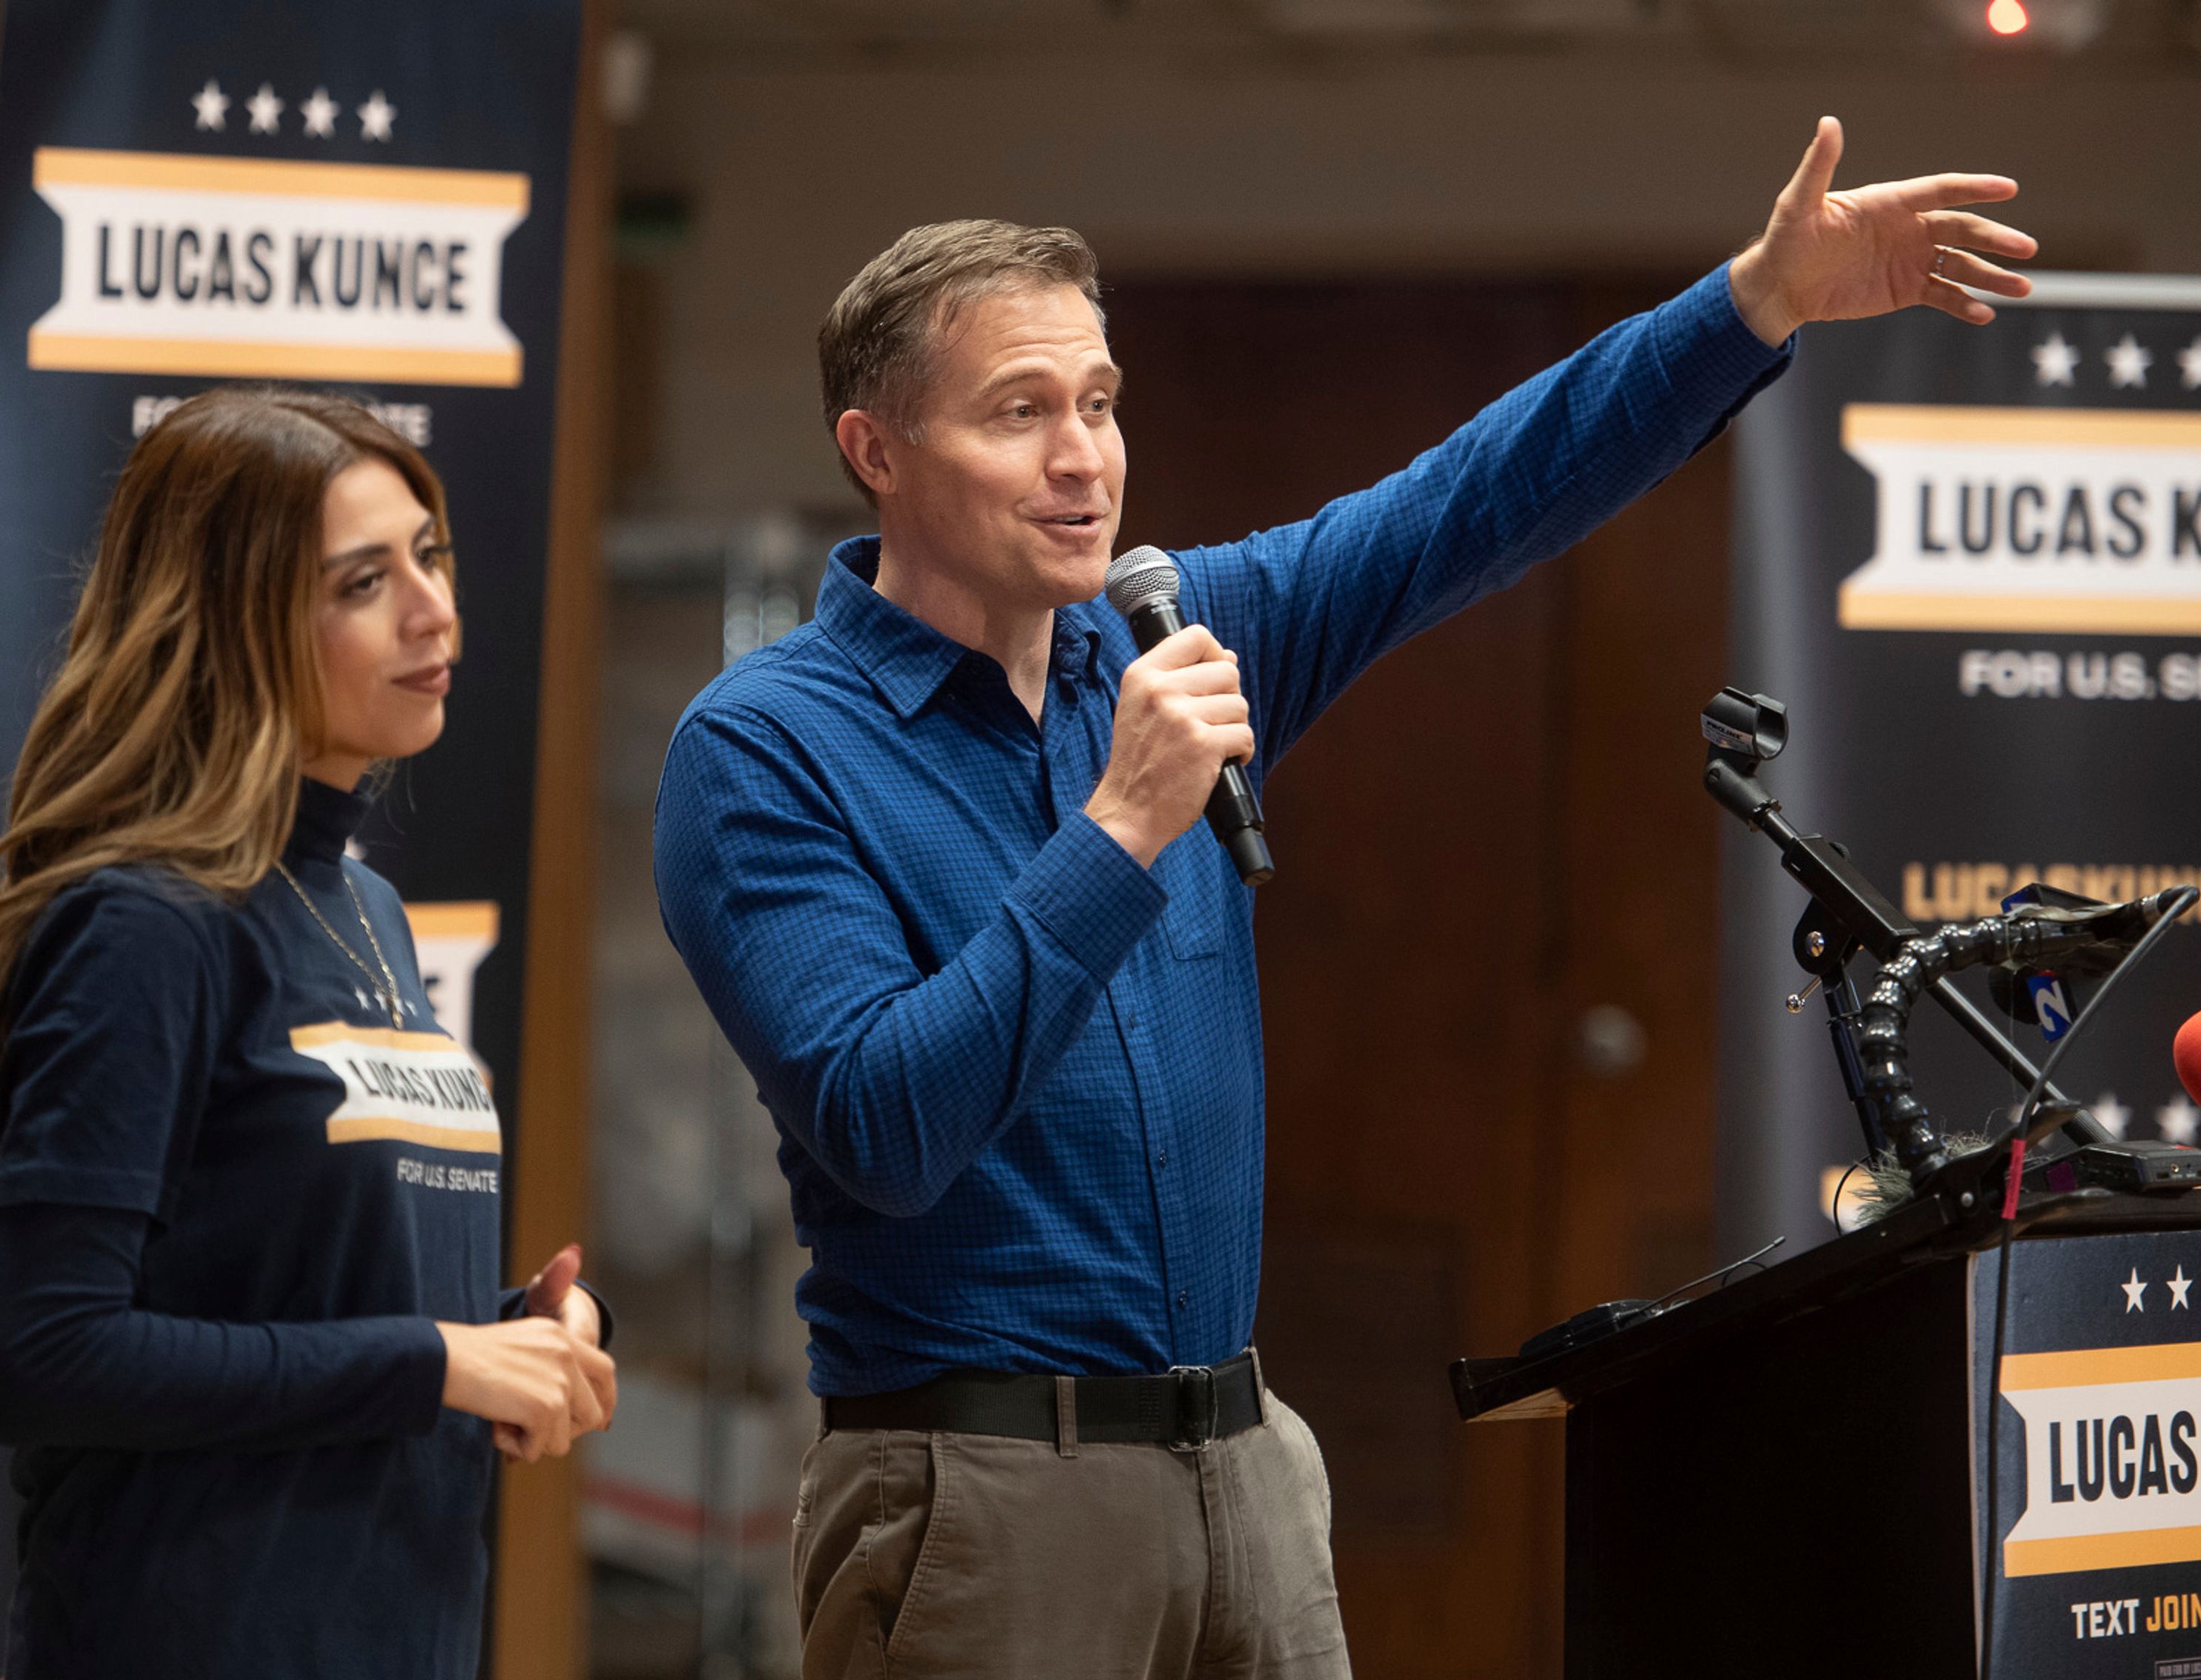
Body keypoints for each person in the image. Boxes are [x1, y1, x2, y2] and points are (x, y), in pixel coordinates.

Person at [653, 118, 2034, 1676]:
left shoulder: (1172, 638)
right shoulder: (770, 747)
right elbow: (889, 1130)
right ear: (876, 452)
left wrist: (1750, 305)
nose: (1083, 459)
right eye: (1019, 411)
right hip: (980, 1492)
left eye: (1100, 403)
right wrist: (1118, 832)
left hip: (1244, 1466)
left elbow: (1472, 498)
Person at [0, 386, 619, 1679]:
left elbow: (295, 1293)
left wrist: (511, 1338)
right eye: (359, 582)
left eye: (429, 555)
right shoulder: (148, 926)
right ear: (233, 620)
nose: (432, 608)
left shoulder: (372, 911)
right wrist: (433, 1360)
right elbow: (49, 1357)